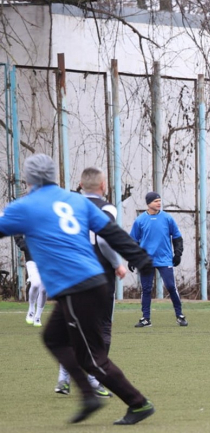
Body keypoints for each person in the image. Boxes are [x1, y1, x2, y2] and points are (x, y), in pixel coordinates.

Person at [0, 154, 155, 425]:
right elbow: (112, 232)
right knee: (54, 338)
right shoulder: (75, 200)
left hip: (76, 287)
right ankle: (88, 396)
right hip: (91, 283)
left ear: (28, 178)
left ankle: (138, 404)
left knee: (92, 359)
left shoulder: (25, 206)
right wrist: (141, 259)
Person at [54, 167, 128, 398]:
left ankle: (63, 380)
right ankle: (95, 380)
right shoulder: (107, 208)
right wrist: (117, 264)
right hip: (99, 276)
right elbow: (104, 240)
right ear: (103, 185)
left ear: (80, 185)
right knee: (102, 326)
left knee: (72, 327)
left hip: (70, 274)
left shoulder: (66, 207)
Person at [129, 191, 187, 327]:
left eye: (160, 200)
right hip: (146, 260)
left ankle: (180, 316)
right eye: (156, 201)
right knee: (146, 289)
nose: (159, 203)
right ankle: (146, 318)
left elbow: (177, 237)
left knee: (171, 286)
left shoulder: (167, 218)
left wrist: (178, 254)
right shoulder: (140, 220)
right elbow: (133, 241)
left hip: (164, 259)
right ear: (148, 203)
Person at [15, 235, 47, 327]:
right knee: (36, 284)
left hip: (47, 258)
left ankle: (37, 317)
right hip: (32, 258)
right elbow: (17, 233)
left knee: (44, 290)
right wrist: (25, 245)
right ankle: (31, 308)